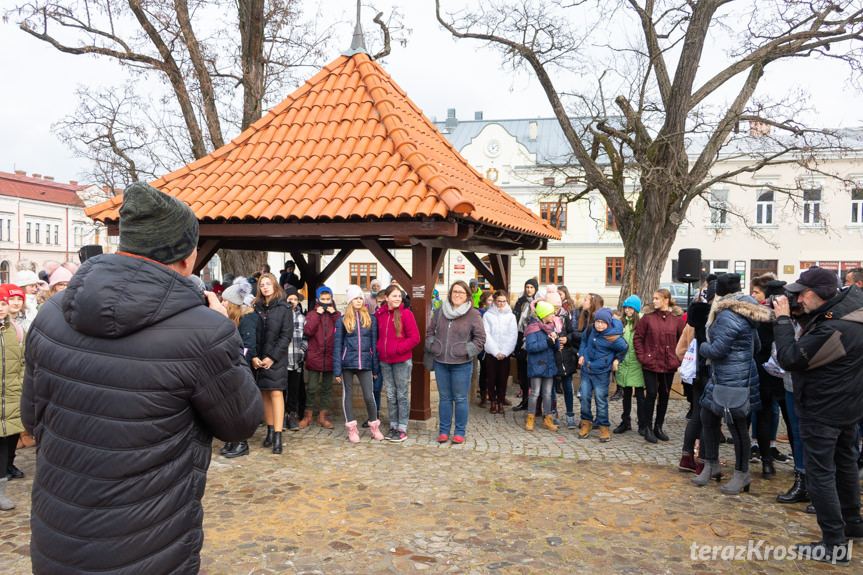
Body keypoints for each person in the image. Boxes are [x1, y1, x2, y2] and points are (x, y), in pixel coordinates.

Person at [21, 181, 262, 573]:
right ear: (188, 258)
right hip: (149, 547)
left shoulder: (51, 314)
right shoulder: (205, 332)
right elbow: (241, 423)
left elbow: (33, 420)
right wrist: (228, 336)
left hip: (57, 540)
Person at [774, 267, 863, 565]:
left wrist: (784, 319)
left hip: (822, 409)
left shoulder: (833, 327)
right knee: (846, 465)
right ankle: (853, 523)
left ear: (818, 294)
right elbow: (826, 331)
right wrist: (802, 316)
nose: (798, 297)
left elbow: (791, 359)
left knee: (820, 474)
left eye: (803, 293)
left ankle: (834, 544)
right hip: (848, 405)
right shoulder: (852, 311)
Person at [692, 273, 769, 496]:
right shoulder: (746, 310)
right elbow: (755, 346)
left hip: (733, 378)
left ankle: (742, 473)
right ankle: (711, 464)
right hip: (725, 376)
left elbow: (717, 350)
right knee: (708, 417)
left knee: (737, 427)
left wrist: (702, 347)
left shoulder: (728, 315)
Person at [426, 281, 486, 444]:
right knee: (444, 399)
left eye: (461, 292)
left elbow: (480, 338)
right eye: (454, 292)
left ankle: (460, 431)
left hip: (461, 363)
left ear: (467, 295)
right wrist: (432, 344)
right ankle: (444, 431)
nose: (457, 295)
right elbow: (430, 331)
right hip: (440, 361)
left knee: (460, 399)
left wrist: (467, 350)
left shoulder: (473, 314)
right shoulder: (440, 311)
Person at [633, 288, 685, 444]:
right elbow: (638, 339)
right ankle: (647, 427)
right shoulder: (647, 318)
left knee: (664, 395)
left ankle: (658, 427)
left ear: (666, 300)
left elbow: (683, 341)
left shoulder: (677, 319)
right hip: (650, 364)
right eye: (653, 298)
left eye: (657, 298)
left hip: (668, 364)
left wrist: (677, 360)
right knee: (651, 394)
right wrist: (644, 357)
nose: (654, 301)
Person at [676, 281, 715, 472]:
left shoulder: (694, 317)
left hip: (696, 375)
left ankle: (687, 458)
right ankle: (703, 463)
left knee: (697, 416)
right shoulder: (712, 318)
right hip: (708, 373)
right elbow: (681, 349)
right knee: (707, 418)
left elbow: (680, 350)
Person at [334, 285, 382, 443]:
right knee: (347, 395)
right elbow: (338, 345)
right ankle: (352, 430)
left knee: (369, 396)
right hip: (347, 363)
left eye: (361, 298)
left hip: (366, 363)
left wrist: (375, 367)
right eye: (356, 298)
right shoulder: (342, 321)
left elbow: (374, 345)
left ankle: (374, 427)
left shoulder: (371, 319)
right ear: (350, 301)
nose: (359, 301)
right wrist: (337, 370)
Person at [252, 273, 293, 455]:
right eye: (262, 285)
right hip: (259, 358)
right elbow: (250, 333)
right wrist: (254, 356)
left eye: (268, 284)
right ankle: (269, 431)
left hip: (276, 358)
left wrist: (272, 357)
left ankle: (278, 435)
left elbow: (286, 336)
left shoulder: (284, 308)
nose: (265, 287)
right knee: (264, 393)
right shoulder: (256, 307)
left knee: (276, 392)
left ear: (275, 286)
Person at [376, 285, 420, 442]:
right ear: (386, 298)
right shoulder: (379, 315)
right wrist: (380, 350)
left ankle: (402, 427)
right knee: (389, 394)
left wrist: (399, 349)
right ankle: (393, 425)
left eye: (399, 296)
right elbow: (377, 336)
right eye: (393, 296)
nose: (396, 299)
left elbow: (415, 337)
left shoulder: (406, 314)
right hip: (385, 361)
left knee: (401, 394)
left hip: (401, 361)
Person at [219, 281, 258, 458]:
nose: (222, 304)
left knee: (239, 407)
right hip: (229, 368)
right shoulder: (229, 320)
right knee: (229, 407)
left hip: (239, 369)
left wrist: (234, 362)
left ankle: (242, 442)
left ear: (233, 303)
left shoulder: (247, 319)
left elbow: (247, 346)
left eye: (225, 301)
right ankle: (232, 439)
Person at [577, 307, 628, 441]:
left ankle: (604, 427)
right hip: (586, 370)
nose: (599, 325)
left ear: (608, 323)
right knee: (584, 397)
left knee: (600, 400)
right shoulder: (590, 330)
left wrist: (617, 360)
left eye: (602, 322)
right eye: (597, 322)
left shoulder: (612, 336)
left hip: (601, 372)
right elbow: (583, 342)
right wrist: (581, 355)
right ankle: (586, 423)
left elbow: (624, 348)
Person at [0, 286, 25, 510]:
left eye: (3, 304)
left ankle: (1, 490)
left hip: (12, 394)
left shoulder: (16, 330)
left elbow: (23, 362)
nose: (1, 308)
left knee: (7, 442)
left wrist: (21, 384)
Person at [302, 286, 340, 429]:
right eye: (322, 299)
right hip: (315, 355)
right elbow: (308, 331)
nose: (325, 302)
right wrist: (317, 315)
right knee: (311, 388)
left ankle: (322, 416)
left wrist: (335, 314)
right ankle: (308, 414)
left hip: (330, 356)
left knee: (326, 388)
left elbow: (341, 329)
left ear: (331, 299)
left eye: (328, 299)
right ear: (318, 300)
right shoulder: (312, 314)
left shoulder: (336, 314)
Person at [524, 301, 563, 432]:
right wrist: (547, 341)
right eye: (551, 313)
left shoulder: (551, 327)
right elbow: (530, 347)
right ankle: (530, 419)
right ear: (544, 314)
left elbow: (556, 347)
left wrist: (555, 339)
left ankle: (548, 419)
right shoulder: (532, 328)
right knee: (534, 393)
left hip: (549, 365)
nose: (553, 315)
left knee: (547, 394)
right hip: (536, 365)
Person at [613, 295, 645, 435]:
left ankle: (643, 423)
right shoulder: (621, 323)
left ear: (636, 309)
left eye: (630, 308)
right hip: (624, 363)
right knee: (625, 395)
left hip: (637, 364)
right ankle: (625, 422)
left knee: (639, 395)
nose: (627, 310)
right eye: (625, 308)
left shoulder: (642, 323)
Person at [483, 290, 517, 415]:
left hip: (505, 353)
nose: (502, 304)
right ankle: (492, 401)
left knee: (502, 379)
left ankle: (501, 401)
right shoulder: (488, 315)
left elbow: (512, 335)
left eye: (504, 301)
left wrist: (504, 351)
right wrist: (495, 351)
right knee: (491, 378)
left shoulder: (511, 316)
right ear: (495, 301)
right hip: (492, 353)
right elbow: (486, 334)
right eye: (499, 301)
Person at [283, 286, 308, 432]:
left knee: (294, 389)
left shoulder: (302, 318)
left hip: (297, 360)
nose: (292, 302)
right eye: (290, 299)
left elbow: (306, 337)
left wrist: (302, 350)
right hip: (283, 359)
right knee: (282, 389)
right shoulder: (281, 316)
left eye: (295, 299)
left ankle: (292, 414)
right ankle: (282, 414)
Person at [513, 278, 539, 411]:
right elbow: (515, 318)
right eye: (527, 287)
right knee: (522, 372)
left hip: (532, 339)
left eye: (531, 287)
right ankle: (524, 400)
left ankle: (533, 403)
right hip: (520, 337)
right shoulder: (521, 301)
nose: (529, 290)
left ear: (536, 289)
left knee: (532, 373)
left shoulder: (539, 303)